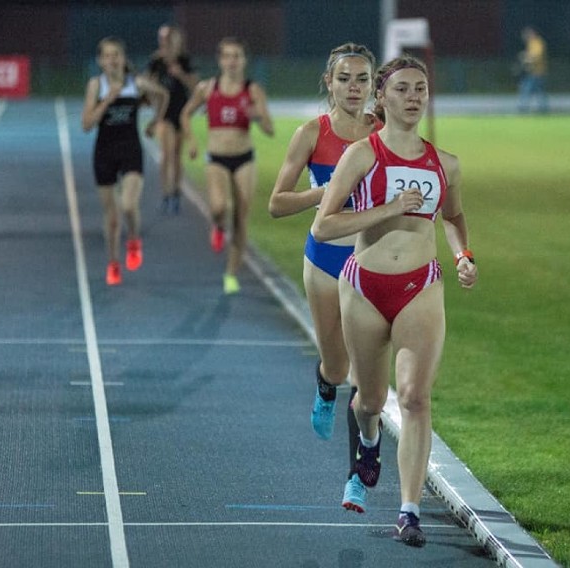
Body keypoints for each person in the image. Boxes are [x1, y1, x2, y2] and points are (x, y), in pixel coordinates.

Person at [312, 55, 478, 548]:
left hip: (421, 287)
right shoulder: (362, 155)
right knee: (370, 400)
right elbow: (324, 224)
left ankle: (409, 511)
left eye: (421, 89)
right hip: (364, 286)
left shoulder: (444, 162)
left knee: (414, 397)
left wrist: (463, 254)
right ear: (381, 98)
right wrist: (388, 209)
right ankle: (367, 439)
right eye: (402, 89)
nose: (413, 97)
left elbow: (453, 215)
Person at [268, 43, 381, 513]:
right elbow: (276, 202)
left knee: (363, 374)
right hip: (323, 263)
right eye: (344, 79)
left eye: (362, 79)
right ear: (328, 83)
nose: (353, 88)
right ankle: (323, 385)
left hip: (368, 263)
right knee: (336, 367)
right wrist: (325, 193)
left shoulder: (384, 131)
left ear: (373, 85)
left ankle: (356, 477)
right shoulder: (311, 134)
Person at [181, 36, 274, 294]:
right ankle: (218, 225)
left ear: (244, 60)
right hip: (217, 158)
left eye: (237, 56)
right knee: (219, 207)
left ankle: (231, 273)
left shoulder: (253, 90)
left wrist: (257, 116)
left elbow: (269, 128)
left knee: (241, 218)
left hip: (244, 158)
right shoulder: (208, 88)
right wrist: (190, 142)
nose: (232, 61)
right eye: (228, 56)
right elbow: (185, 114)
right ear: (220, 60)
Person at [82, 37, 169, 286]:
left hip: (130, 150)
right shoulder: (95, 85)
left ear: (123, 58)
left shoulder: (137, 83)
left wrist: (155, 122)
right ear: (100, 61)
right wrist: (108, 100)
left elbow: (163, 95)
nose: (112, 60)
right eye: (107, 56)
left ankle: (133, 239)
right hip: (104, 153)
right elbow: (87, 124)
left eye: (116, 55)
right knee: (111, 217)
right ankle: (113, 262)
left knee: (128, 205)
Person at [147, 24, 198, 214]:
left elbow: (195, 86)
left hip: (181, 111)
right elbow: (147, 83)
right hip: (164, 113)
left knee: (177, 156)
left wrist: (181, 74)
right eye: (161, 38)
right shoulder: (156, 61)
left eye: (167, 38)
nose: (164, 42)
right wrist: (152, 96)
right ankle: (166, 194)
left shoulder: (184, 60)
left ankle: (176, 193)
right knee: (166, 154)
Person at [517, 26, 548, 114]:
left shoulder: (537, 43)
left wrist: (525, 57)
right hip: (534, 72)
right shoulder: (531, 43)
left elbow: (537, 55)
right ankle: (543, 108)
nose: (524, 37)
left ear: (531, 34)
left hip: (537, 72)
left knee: (526, 89)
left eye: (526, 35)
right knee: (539, 91)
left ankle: (523, 108)